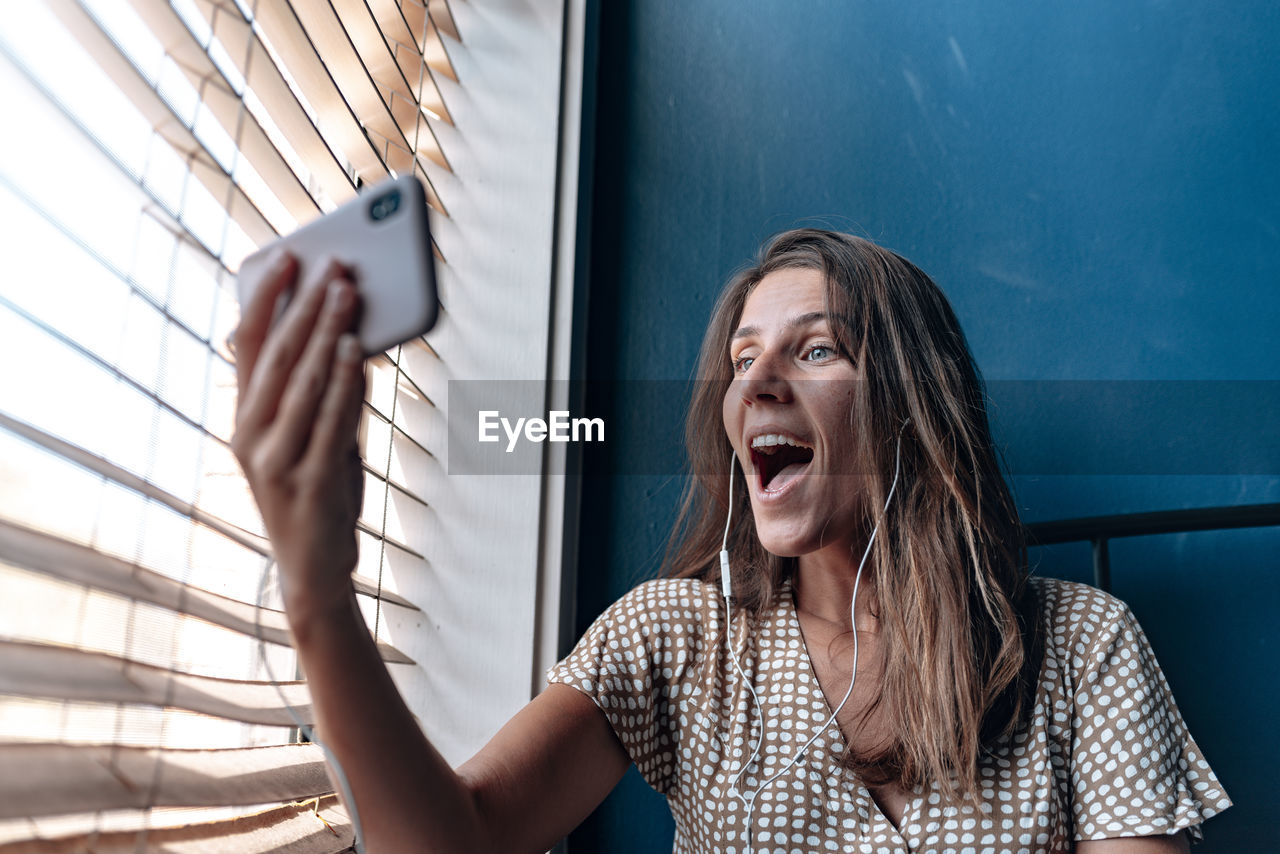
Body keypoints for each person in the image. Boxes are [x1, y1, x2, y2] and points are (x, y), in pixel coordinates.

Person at [232, 229, 1231, 854]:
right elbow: (452, 839)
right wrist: (317, 590)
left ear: (911, 404)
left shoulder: (1085, 644)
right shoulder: (674, 641)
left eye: (816, 348)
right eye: (741, 358)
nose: (751, 383)